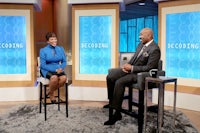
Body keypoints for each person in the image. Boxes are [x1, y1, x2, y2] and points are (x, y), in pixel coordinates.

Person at [104, 28, 161, 125]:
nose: (140, 37)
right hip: (131, 70)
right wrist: (126, 66)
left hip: (139, 74)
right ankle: (112, 101)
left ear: (149, 36)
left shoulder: (155, 49)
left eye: (142, 34)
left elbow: (149, 67)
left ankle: (117, 113)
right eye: (140, 34)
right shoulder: (140, 45)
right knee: (110, 76)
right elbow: (134, 59)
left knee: (119, 82)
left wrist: (132, 68)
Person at [39, 32, 67, 103]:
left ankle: (50, 91)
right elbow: (43, 65)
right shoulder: (43, 50)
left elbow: (64, 61)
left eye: (55, 39)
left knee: (63, 78)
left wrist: (61, 68)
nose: (54, 41)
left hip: (58, 68)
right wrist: (55, 70)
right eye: (52, 39)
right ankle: (51, 94)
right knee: (54, 78)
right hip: (46, 69)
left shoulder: (61, 49)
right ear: (48, 41)